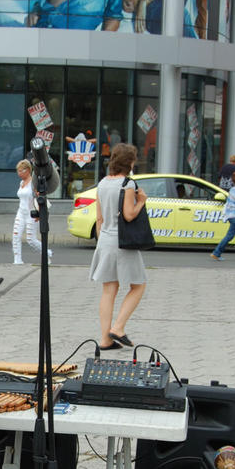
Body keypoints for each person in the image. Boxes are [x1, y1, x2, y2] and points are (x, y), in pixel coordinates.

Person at [89, 143, 147, 349]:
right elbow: (129, 215)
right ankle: (118, 327)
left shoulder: (103, 183)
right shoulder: (127, 184)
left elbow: (99, 218)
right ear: (129, 162)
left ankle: (105, 339)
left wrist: (102, 240)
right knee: (138, 285)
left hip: (104, 239)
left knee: (109, 289)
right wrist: (141, 201)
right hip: (121, 241)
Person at [12, 158, 51, 265]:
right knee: (16, 236)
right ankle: (17, 260)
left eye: (21, 171)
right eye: (18, 171)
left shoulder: (34, 183)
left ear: (28, 170)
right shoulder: (21, 183)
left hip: (32, 213)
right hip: (21, 212)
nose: (19, 173)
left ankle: (47, 253)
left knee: (31, 239)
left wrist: (39, 212)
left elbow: (40, 197)